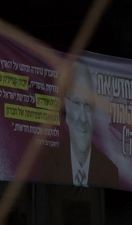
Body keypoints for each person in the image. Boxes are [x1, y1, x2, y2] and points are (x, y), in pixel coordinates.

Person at [39, 60, 123, 189]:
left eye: (88, 105)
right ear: (66, 107)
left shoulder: (109, 172)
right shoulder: (49, 164)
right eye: (77, 104)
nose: (83, 118)